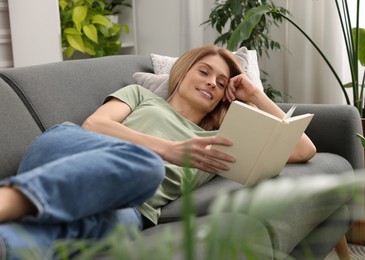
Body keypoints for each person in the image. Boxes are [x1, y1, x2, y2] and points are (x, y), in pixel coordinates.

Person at [0, 45, 316, 259]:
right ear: (183, 71)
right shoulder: (141, 95)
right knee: (147, 166)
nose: (211, 83)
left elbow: (304, 149)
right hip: (66, 154)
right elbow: (95, 124)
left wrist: (254, 93)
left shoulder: (220, 140)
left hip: (129, 207)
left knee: (120, 227)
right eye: (204, 72)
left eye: (220, 83)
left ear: (223, 97)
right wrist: (167, 150)